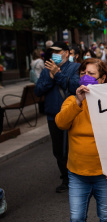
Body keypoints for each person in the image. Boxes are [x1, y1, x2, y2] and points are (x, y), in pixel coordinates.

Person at [55, 58, 107, 222]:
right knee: (76, 219)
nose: (86, 76)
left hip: (104, 174)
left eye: (92, 73)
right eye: (84, 72)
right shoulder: (72, 101)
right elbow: (61, 123)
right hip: (77, 174)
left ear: (102, 79)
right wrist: (78, 101)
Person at [34, 41, 80, 193]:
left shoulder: (75, 67)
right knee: (58, 150)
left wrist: (58, 75)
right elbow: (38, 90)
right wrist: (50, 76)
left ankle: (75, 178)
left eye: (58, 51)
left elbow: (74, 86)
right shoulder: (47, 69)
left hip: (71, 114)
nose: (55, 55)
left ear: (66, 53)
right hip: (53, 115)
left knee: (71, 148)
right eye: (52, 52)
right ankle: (65, 178)